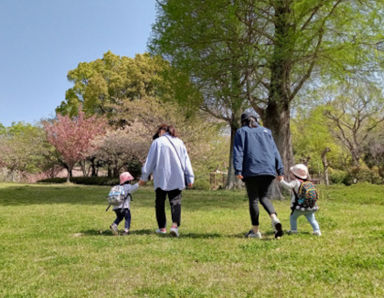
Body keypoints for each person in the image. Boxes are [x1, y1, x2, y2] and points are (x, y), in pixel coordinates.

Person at [233, 111, 284, 239]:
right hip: (268, 170)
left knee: (254, 200)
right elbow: (275, 151)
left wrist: (238, 170)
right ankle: (274, 218)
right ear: (256, 120)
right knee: (265, 197)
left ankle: (255, 232)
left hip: (252, 170)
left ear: (243, 121)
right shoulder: (267, 132)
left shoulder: (241, 132)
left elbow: (238, 151)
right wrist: (280, 170)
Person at [139, 124, 194, 237]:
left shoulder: (157, 142)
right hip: (177, 177)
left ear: (161, 132)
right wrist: (190, 177)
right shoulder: (179, 142)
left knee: (160, 202)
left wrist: (144, 177)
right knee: (176, 202)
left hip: (161, 178)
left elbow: (150, 162)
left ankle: (162, 227)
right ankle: (174, 226)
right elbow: (186, 161)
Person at [280, 164, 321, 236]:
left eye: (291, 173)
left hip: (299, 205)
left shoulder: (296, 182)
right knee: (312, 219)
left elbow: (288, 186)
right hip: (310, 205)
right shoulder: (308, 182)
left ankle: (294, 230)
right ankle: (317, 230)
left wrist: (281, 181)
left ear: (294, 174)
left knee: (293, 218)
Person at [110, 171, 139, 236]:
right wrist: (141, 181)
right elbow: (135, 187)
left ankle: (114, 225)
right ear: (129, 180)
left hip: (115, 207)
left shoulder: (116, 187)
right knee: (127, 217)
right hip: (124, 207)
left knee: (120, 217)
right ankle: (126, 231)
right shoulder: (128, 187)